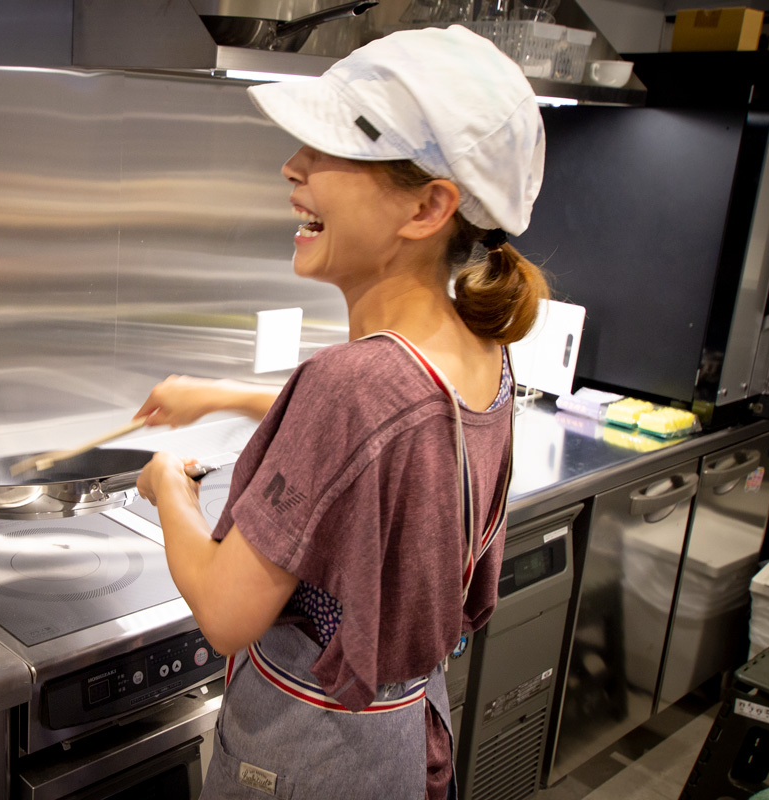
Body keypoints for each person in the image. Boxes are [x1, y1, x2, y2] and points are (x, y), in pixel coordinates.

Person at [134, 25, 549, 800]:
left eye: (328, 152)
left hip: (304, 759)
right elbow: (386, 436)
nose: (293, 166)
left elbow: (226, 614)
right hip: (397, 736)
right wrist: (222, 394)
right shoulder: (479, 352)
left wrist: (169, 491)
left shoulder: (353, 381)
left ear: (428, 206)